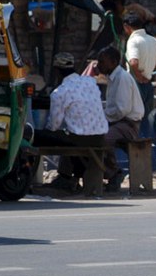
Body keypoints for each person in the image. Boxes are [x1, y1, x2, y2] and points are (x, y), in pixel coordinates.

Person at [34, 52, 108, 191]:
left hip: (79, 139)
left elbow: (53, 126)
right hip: (100, 137)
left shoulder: (60, 92)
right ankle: (69, 177)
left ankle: (62, 178)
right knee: (70, 133)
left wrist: (43, 132)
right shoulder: (90, 82)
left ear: (56, 71)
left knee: (39, 136)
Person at [97, 46, 144, 192]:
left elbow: (121, 110)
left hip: (128, 124)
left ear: (113, 62)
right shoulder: (112, 78)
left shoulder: (121, 78)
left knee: (103, 139)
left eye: (102, 62)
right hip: (119, 121)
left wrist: (102, 117)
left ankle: (114, 173)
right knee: (90, 137)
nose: (99, 65)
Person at [123, 13, 156, 138]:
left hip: (136, 84)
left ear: (126, 27)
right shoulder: (152, 40)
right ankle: (146, 146)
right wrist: (149, 71)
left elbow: (133, 62)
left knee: (133, 117)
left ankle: (134, 144)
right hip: (148, 84)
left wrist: (139, 77)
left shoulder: (133, 40)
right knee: (146, 117)